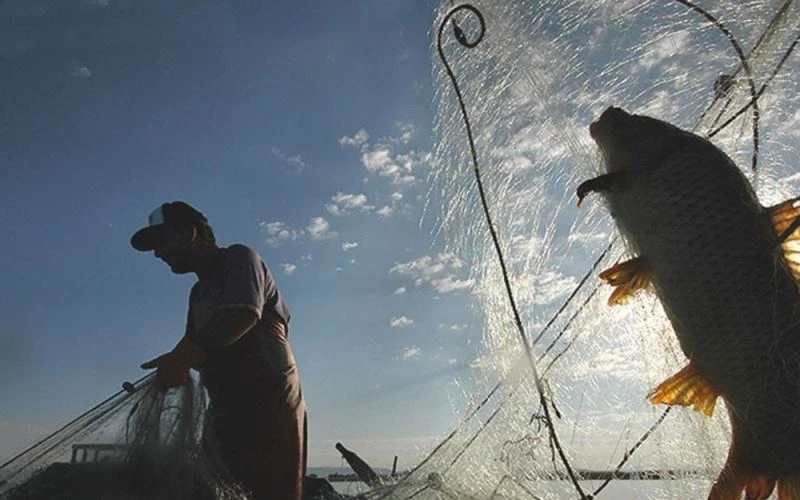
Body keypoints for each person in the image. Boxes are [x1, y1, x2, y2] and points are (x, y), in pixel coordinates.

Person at [131, 201, 306, 500]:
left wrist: (183, 358)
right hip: (226, 411)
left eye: (162, 241)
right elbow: (196, 346)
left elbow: (242, 315)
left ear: (189, 232)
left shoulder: (239, 258)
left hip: (270, 407)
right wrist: (174, 361)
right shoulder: (198, 293)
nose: (158, 253)